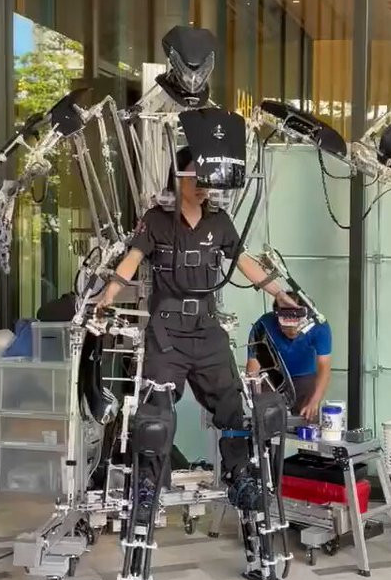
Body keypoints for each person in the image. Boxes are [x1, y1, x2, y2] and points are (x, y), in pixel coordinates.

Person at [98, 148, 296, 510]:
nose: (204, 186)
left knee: (231, 402)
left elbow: (243, 262)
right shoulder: (156, 219)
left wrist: (279, 294)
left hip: (207, 329)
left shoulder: (219, 221)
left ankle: (240, 476)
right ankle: (147, 486)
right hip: (166, 332)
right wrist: (109, 292)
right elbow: (133, 258)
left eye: (208, 179)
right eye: (197, 177)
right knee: (156, 409)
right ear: (179, 177)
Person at [246, 293, 332, 421]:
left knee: (308, 417)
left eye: (296, 327)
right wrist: (256, 399)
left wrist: (315, 400)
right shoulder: (263, 325)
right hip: (271, 375)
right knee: (266, 419)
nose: (291, 332)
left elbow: (324, 367)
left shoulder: (319, 326)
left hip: (305, 375)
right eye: (285, 328)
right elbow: (253, 367)